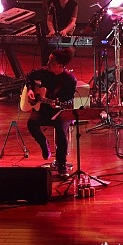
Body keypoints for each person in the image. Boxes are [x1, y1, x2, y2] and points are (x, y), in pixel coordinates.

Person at [24, 48, 77, 178]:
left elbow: (70, 100)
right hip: (45, 110)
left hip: (62, 111)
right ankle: (44, 143)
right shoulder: (45, 72)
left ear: (60, 65)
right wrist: (30, 90)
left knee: (61, 130)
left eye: (51, 62)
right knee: (31, 123)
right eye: (48, 60)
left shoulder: (70, 80)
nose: (48, 64)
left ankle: (61, 163)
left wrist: (59, 104)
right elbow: (29, 76)